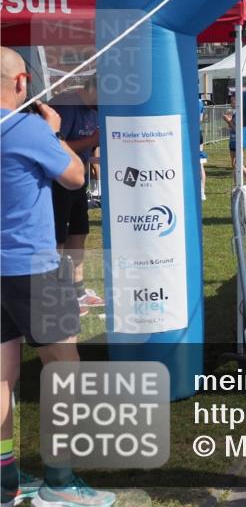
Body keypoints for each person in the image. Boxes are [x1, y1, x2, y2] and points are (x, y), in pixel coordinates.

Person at [1, 48, 115, 507]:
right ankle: (60, 481)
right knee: (64, 370)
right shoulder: (26, 127)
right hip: (32, 265)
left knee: (2, 376)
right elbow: (73, 177)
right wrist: (54, 133)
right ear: (22, 81)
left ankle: (5, 479)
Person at [49, 75, 103, 316]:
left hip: (77, 180)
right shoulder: (65, 104)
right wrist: (92, 140)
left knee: (79, 233)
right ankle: (58, 291)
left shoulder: (93, 109)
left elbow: (89, 146)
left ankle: (77, 289)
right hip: (56, 179)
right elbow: (54, 145)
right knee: (58, 237)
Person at [222, 92, 246, 185]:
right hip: (233, 141)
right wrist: (228, 122)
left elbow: (238, 130)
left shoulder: (241, 113)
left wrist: (228, 121)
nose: (230, 102)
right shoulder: (234, 112)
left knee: (238, 164)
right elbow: (232, 127)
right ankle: (237, 185)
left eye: (232, 100)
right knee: (234, 165)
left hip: (240, 141)